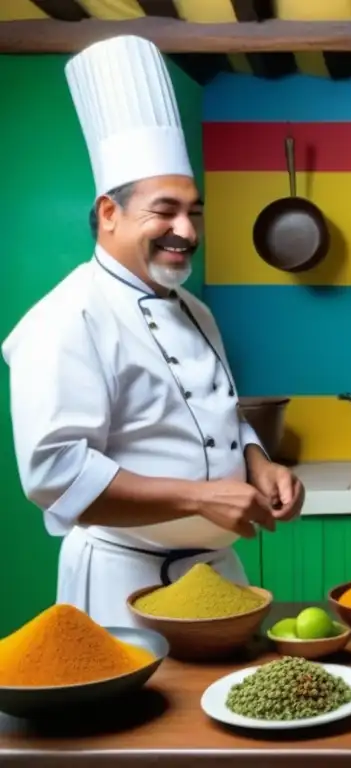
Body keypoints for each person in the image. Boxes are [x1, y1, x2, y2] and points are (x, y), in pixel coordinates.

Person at [2, 36, 304, 627]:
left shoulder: (193, 308)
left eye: (194, 211)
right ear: (110, 213)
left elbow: (216, 411)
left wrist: (258, 461)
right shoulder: (68, 316)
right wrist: (199, 496)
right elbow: (53, 472)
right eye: (163, 211)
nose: (185, 230)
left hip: (217, 573)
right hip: (121, 583)